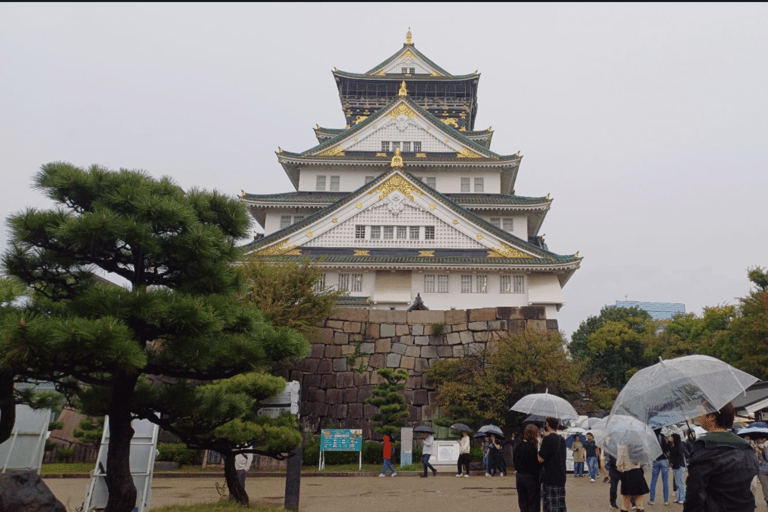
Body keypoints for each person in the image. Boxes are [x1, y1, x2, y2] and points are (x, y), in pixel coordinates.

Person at [684, 402, 759, 511]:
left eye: (701, 412)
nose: (698, 416)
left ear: (711, 417)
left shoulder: (705, 446)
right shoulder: (746, 447)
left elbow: (695, 492)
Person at [538, 416, 567, 512]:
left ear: (547, 426)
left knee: (550, 506)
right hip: (561, 476)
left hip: (550, 476)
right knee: (560, 505)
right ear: (557, 425)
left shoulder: (547, 439)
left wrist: (540, 447)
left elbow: (541, 459)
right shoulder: (562, 440)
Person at [514, 423, 542, 512]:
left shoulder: (518, 446)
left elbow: (515, 462)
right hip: (531, 477)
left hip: (519, 476)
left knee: (523, 503)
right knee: (533, 503)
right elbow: (535, 466)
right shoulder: (532, 448)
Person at [617, 444, 649, 512]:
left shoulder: (622, 448)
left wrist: (621, 467)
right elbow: (644, 462)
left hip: (627, 475)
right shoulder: (640, 448)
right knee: (640, 503)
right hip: (638, 474)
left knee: (625, 503)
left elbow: (619, 464)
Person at [647, 429, 670, 505]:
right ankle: (666, 501)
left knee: (653, 481)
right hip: (664, 459)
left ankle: (652, 500)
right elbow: (668, 448)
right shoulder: (663, 437)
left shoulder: (651, 438)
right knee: (665, 482)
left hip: (655, 460)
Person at [667, 433, 685, 504]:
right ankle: (678, 498)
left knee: (680, 483)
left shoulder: (679, 446)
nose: (670, 438)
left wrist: (673, 462)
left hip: (679, 466)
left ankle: (682, 498)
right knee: (677, 483)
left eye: (671, 437)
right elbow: (671, 453)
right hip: (675, 466)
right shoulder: (673, 445)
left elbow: (680, 457)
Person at [754, 433, 768, 508]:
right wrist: (756, 453)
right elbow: (754, 461)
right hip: (761, 471)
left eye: (759, 439)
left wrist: (765, 451)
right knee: (765, 486)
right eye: (758, 439)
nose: (758, 441)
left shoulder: (767, 447)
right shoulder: (754, 448)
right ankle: (767, 500)